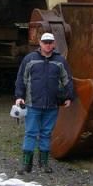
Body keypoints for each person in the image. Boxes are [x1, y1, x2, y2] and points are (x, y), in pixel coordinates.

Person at [14, 32, 74, 174]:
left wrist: (69, 97)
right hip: (32, 104)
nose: (47, 45)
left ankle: (44, 164)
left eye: (50, 42)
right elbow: (21, 78)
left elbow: (67, 80)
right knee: (30, 133)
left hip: (52, 105)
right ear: (40, 43)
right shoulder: (29, 59)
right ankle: (26, 165)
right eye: (45, 42)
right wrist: (19, 96)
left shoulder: (60, 61)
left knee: (46, 134)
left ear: (53, 44)